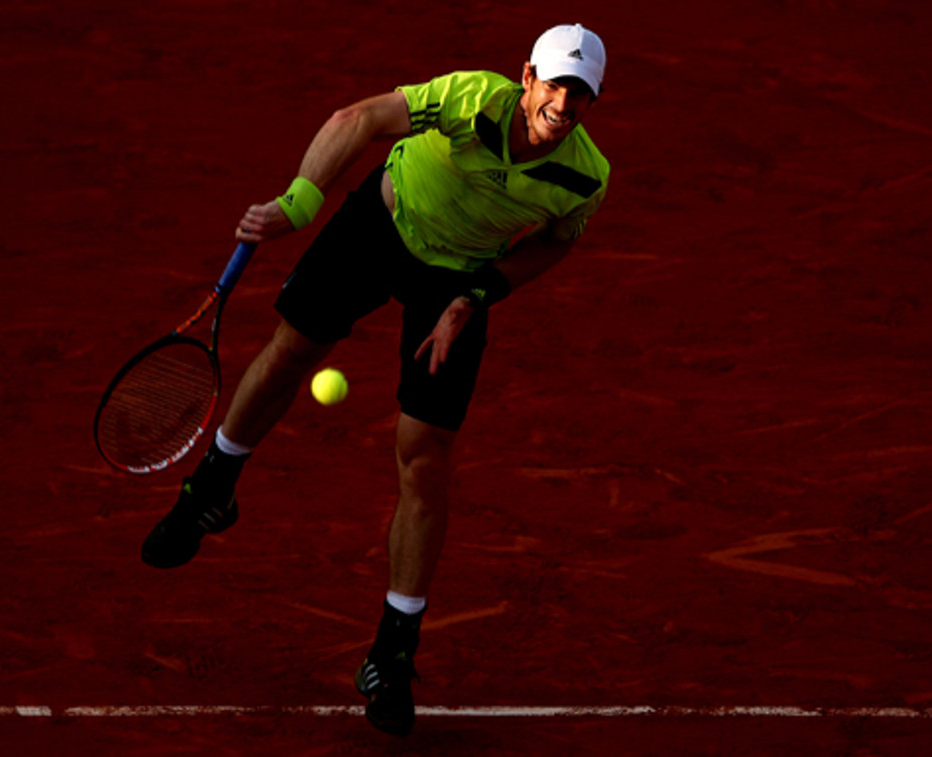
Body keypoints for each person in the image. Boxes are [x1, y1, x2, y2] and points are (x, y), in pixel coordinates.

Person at [141, 23, 610, 737]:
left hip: (455, 286)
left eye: (579, 94)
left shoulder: (585, 176)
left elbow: (553, 244)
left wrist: (476, 296)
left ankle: (391, 656)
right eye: (555, 84)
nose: (563, 103)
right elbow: (356, 120)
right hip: (379, 227)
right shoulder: (467, 100)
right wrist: (299, 203)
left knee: (424, 457)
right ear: (527, 76)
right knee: (293, 348)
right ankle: (211, 488)